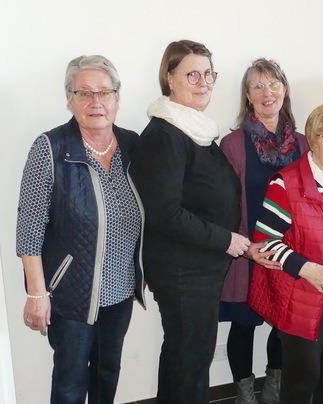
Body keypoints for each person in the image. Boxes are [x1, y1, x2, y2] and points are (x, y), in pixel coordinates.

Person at [16, 55, 145, 403]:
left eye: (104, 92)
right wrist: (36, 294)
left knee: (107, 373)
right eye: (84, 93)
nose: (95, 102)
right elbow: (29, 229)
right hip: (70, 292)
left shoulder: (133, 145)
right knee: (71, 380)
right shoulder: (51, 147)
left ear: (117, 98)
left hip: (120, 290)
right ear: (69, 99)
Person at [130, 40, 252, 403]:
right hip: (184, 269)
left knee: (186, 356)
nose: (204, 82)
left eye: (209, 74)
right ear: (170, 79)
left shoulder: (194, 129)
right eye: (192, 74)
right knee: (191, 358)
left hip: (198, 266)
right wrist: (225, 240)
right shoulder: (165, 136)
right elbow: (165, 213)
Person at [248, 102, 323, 404]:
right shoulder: (286, 182)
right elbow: (265, 243)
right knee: (303, 377)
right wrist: (305, 268)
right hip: (302, 295)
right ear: (313, 140)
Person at [219, 58, 309, 404]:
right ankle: (244, 393)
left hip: (289, 252)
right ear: (247, 95)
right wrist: (244, 247)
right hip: (248, 250)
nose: (267, 92)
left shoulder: (302, 143)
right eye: (258, 86)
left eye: (273, 84)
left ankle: (274, 386)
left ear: (284, 90)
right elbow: (227, 205)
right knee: (243, 325)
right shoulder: (233, 144)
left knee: (284, 324)